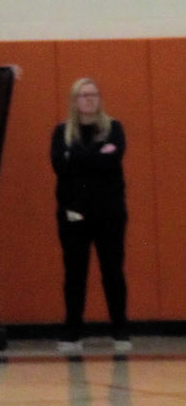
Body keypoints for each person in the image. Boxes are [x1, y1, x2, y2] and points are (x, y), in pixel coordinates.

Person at [51, 76, 130, 354]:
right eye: (83, 95)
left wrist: (77, 156)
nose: (89, 99)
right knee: (75, 273)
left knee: (112, 271)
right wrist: (97, 154)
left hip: (109, 213)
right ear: (74, 101)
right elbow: (60, 166)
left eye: (93, 94)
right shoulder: (62, 132)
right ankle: (72, 330)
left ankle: (120, 328)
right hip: (73, 213)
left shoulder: (114, 128)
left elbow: (112, 159)